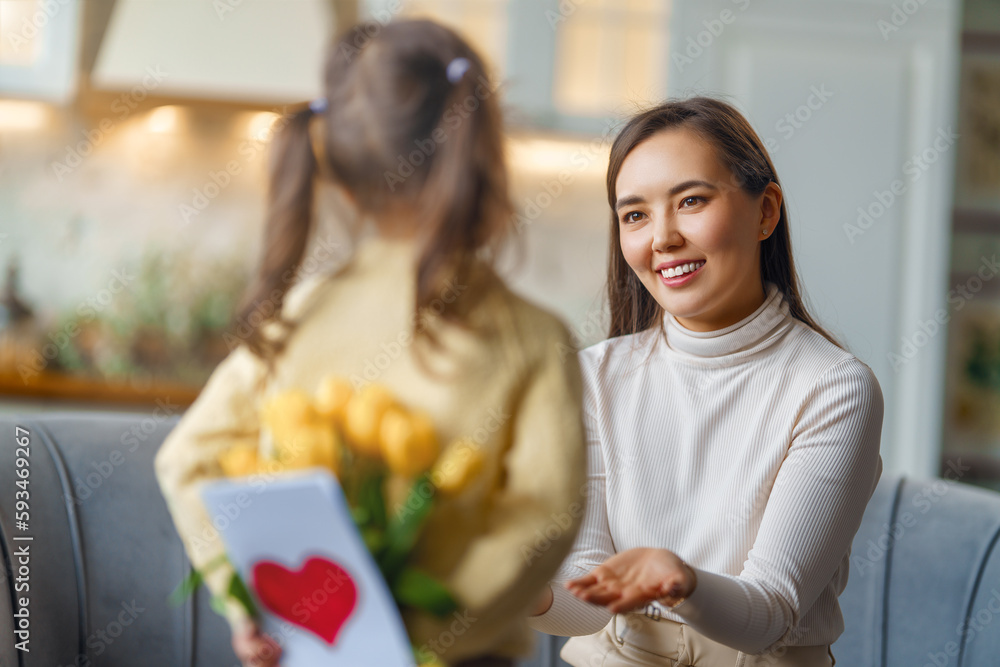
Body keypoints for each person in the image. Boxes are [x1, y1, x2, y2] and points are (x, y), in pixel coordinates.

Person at [154, 19, 587, 667]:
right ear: (484, 156)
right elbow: (544, 516)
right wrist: (410, 635)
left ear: (345, 175)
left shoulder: (301, 314)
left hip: (309, 650)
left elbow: (188, 459)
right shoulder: (533, 338)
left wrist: (255, 604)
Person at [527, 97, 884, 666]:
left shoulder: (833, 388)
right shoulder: (593, 376)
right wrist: (521, 587)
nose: (662, 238)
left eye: (691, 201)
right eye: (635, 215)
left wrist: (680, 580)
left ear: (765, 212)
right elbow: (590, 599)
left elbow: (771, 611)